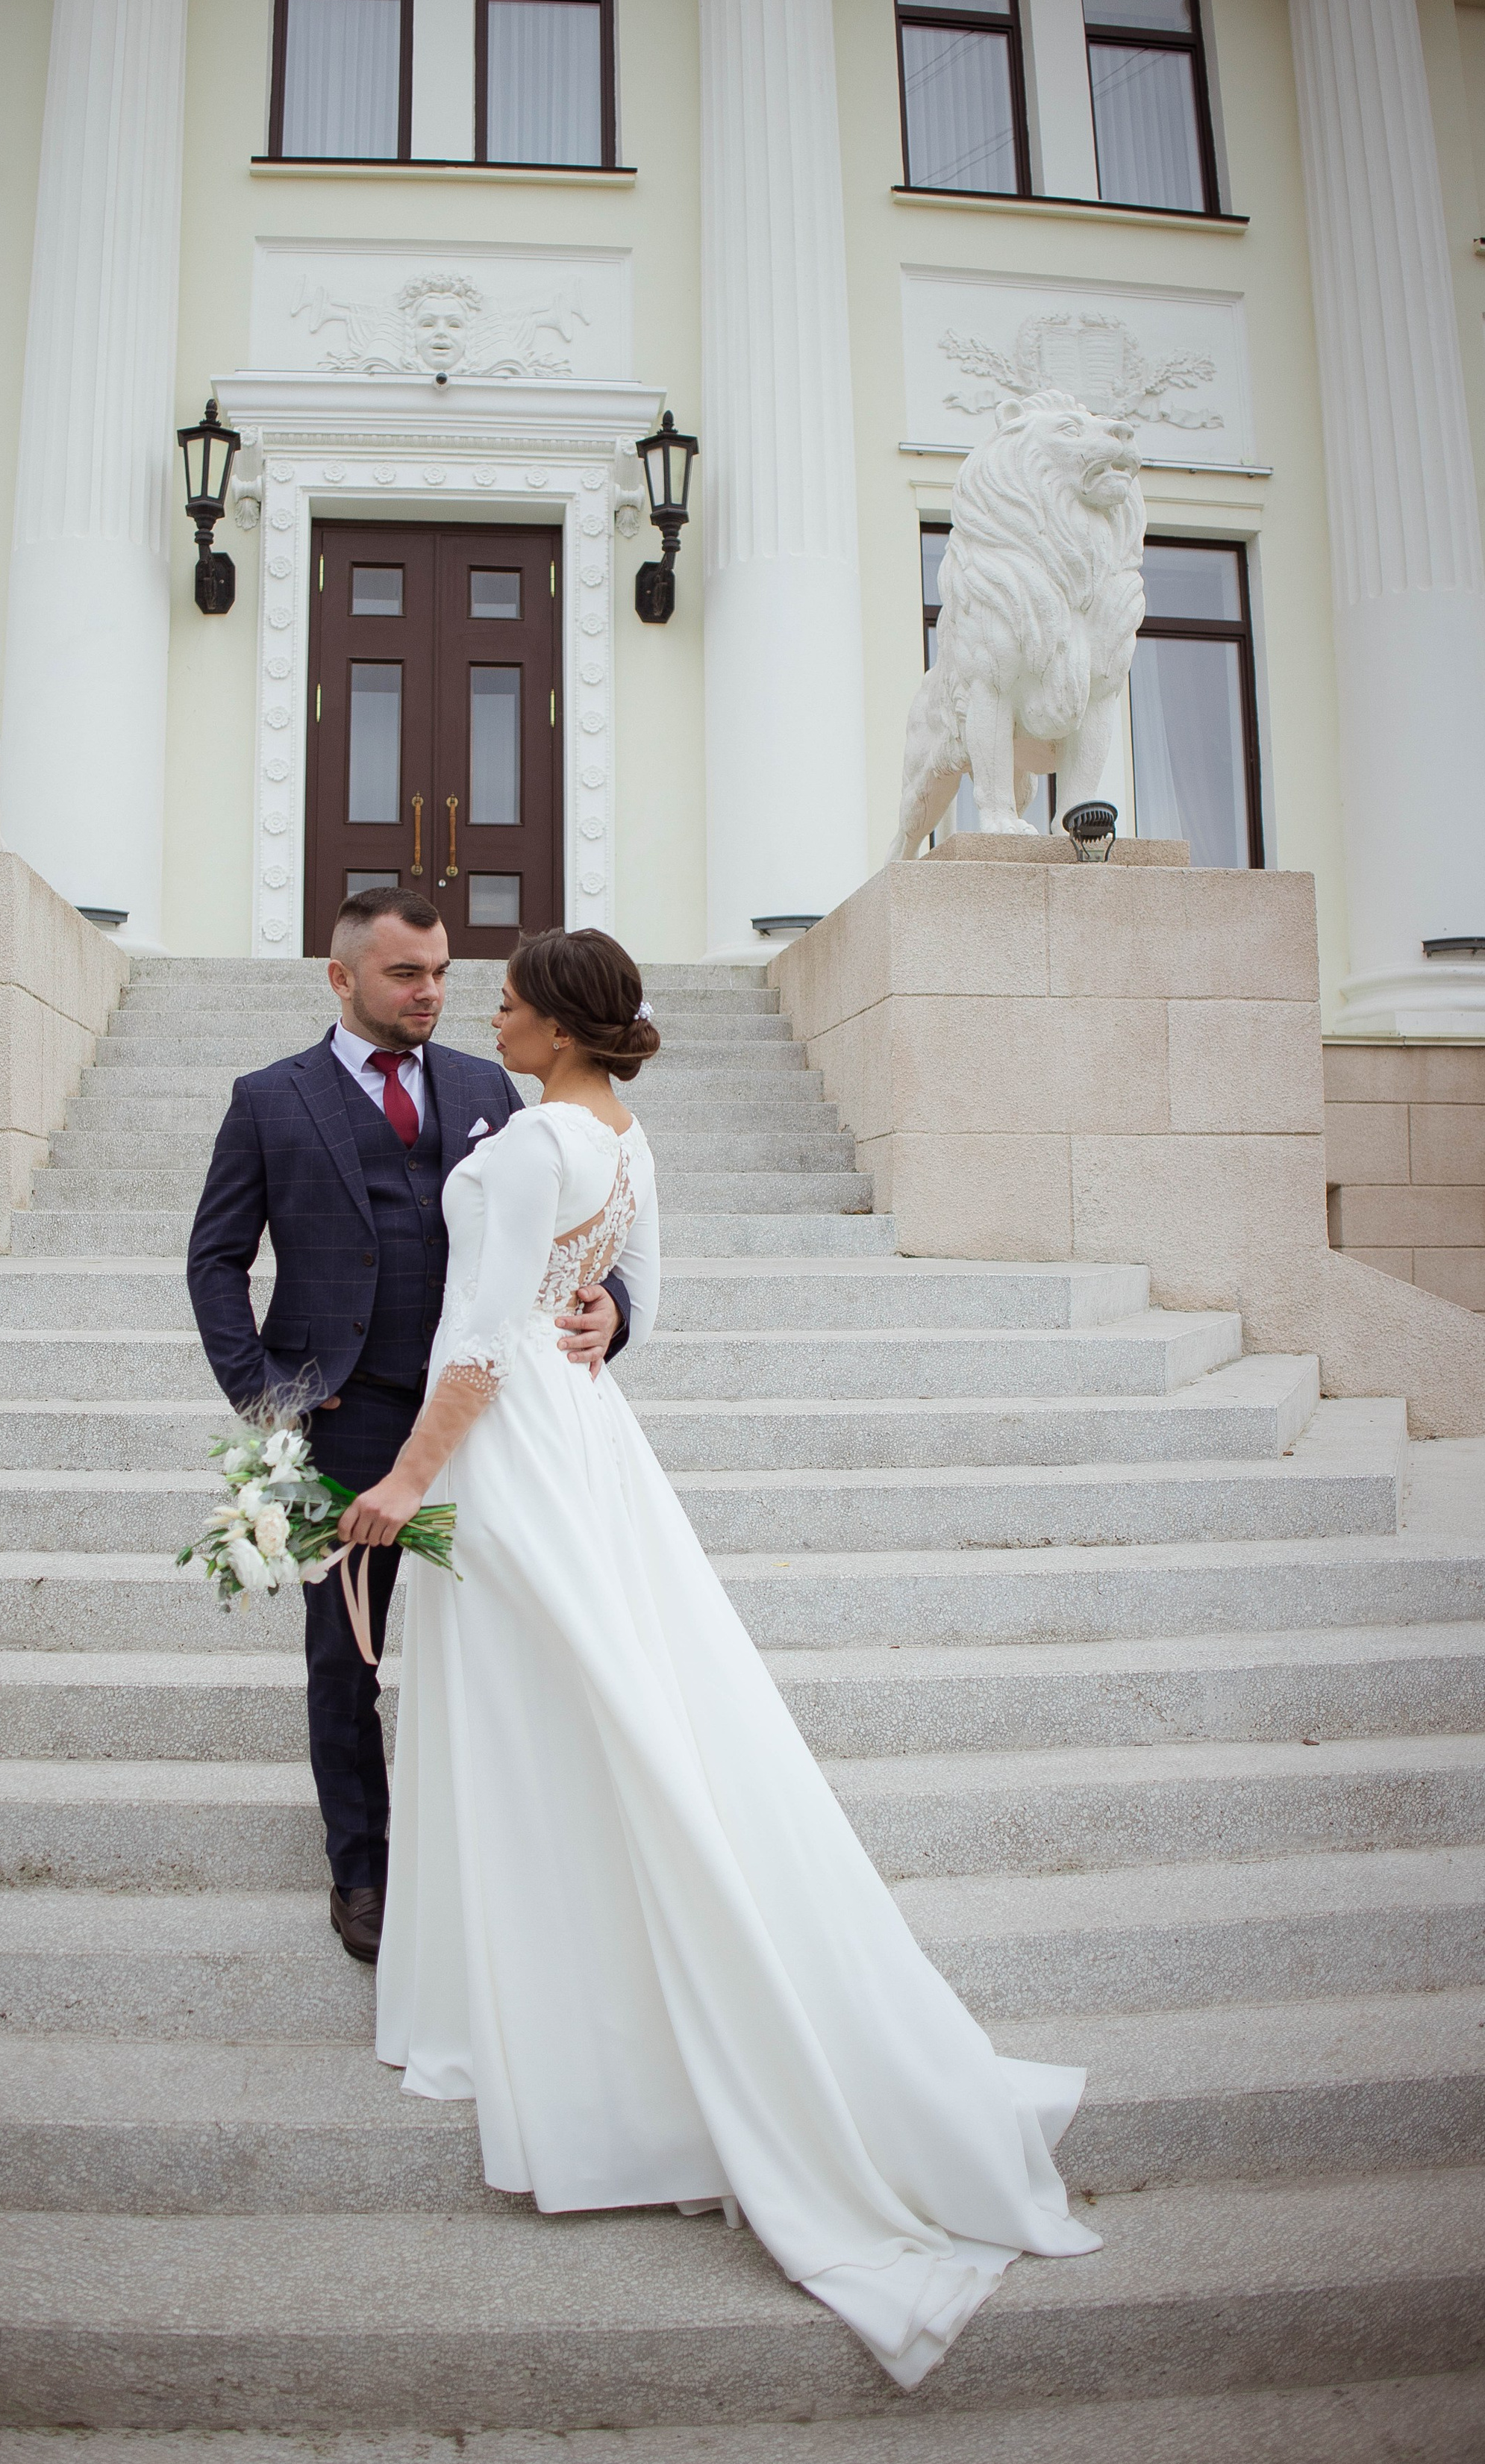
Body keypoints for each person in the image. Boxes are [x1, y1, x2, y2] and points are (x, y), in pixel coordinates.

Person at [338, 924, 1101, 2389]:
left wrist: (405, 1481)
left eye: (510, 1000)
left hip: (509, 1452)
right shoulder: (627, 1143)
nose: (490, 1014)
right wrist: (604, 1307)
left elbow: (481, 1342)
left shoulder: (524, 1147)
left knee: (541, 1722)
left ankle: (573, 2016)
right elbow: (639, 1299)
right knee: (572, 1713)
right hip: (584, 1440)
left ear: (561, 1026)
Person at [186, 889, 631, 1965]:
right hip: (345, 1416)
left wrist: (614, 1307)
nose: (431, 992)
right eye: (405, 974)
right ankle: (365, 1868)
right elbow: (215, 1259)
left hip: (489, 1420)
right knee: (348, 1655)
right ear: (342, 977)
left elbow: (569, 1219)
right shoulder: (269, 1099)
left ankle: (509, 1853)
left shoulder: (492, 1086)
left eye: (440, 973)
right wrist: (269, 1399)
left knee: (511, 1641)